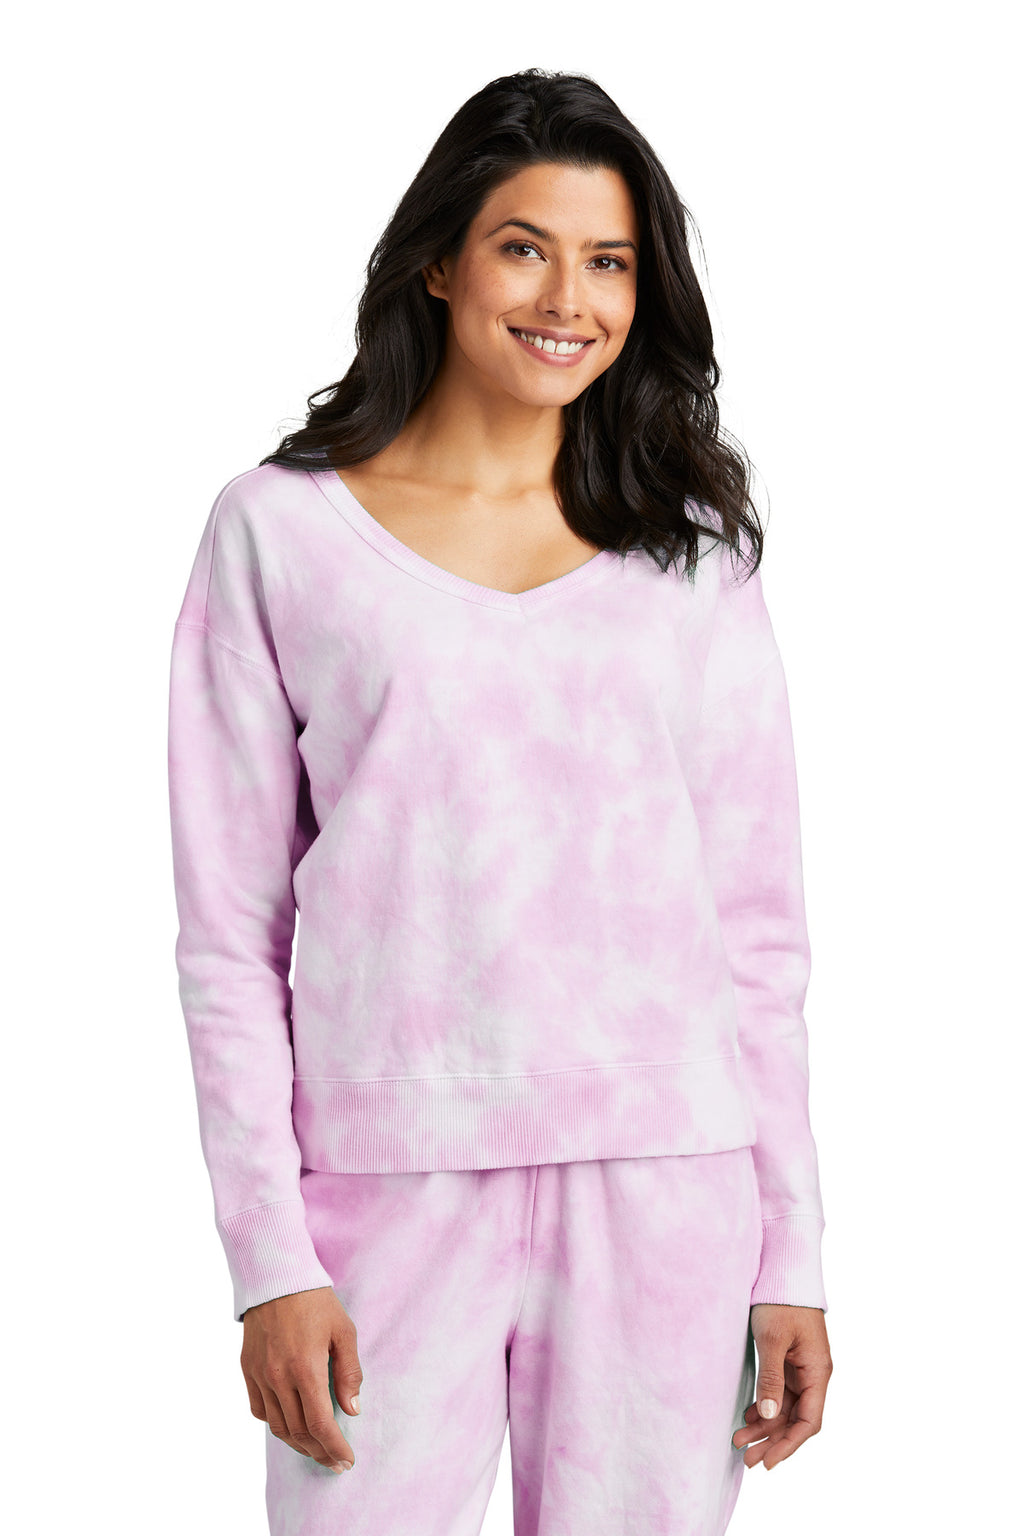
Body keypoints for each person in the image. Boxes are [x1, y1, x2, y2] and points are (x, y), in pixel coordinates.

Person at [167, 66, 833, 1536]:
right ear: (440, 261)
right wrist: (268, 1258)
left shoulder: (690, 553)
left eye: (610, 262)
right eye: (525, 247)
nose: (567, 300)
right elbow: (229, 938)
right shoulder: (281, 532)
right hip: (386, 1190)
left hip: (667, 1188)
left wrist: (792, 1251)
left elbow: (757, 935)